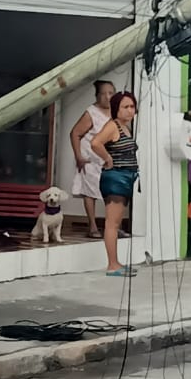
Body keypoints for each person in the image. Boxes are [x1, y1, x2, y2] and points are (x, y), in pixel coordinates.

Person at [90, 91, 139, 278]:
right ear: (116, 109)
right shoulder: (112, 126)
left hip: (125, 177)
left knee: (115, 223)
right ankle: (112, 264)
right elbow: (95, 143)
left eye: (132, 107)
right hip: (115, 178)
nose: (129, 111)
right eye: (125, 107)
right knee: (112, 223)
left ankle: (116, 262)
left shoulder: (125, 127)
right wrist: (107, 158)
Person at [70, 80, 116, 239]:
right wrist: (78, 157)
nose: (107, 97)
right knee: (90, 192)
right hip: (89, 157)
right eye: (103, 94)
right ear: (97, 96)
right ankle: (93, 227)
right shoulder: (91, 112)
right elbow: (75, 133)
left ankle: (113, 227)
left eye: (110, 93)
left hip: (107, 159)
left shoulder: (116, 111)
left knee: (112, 193)